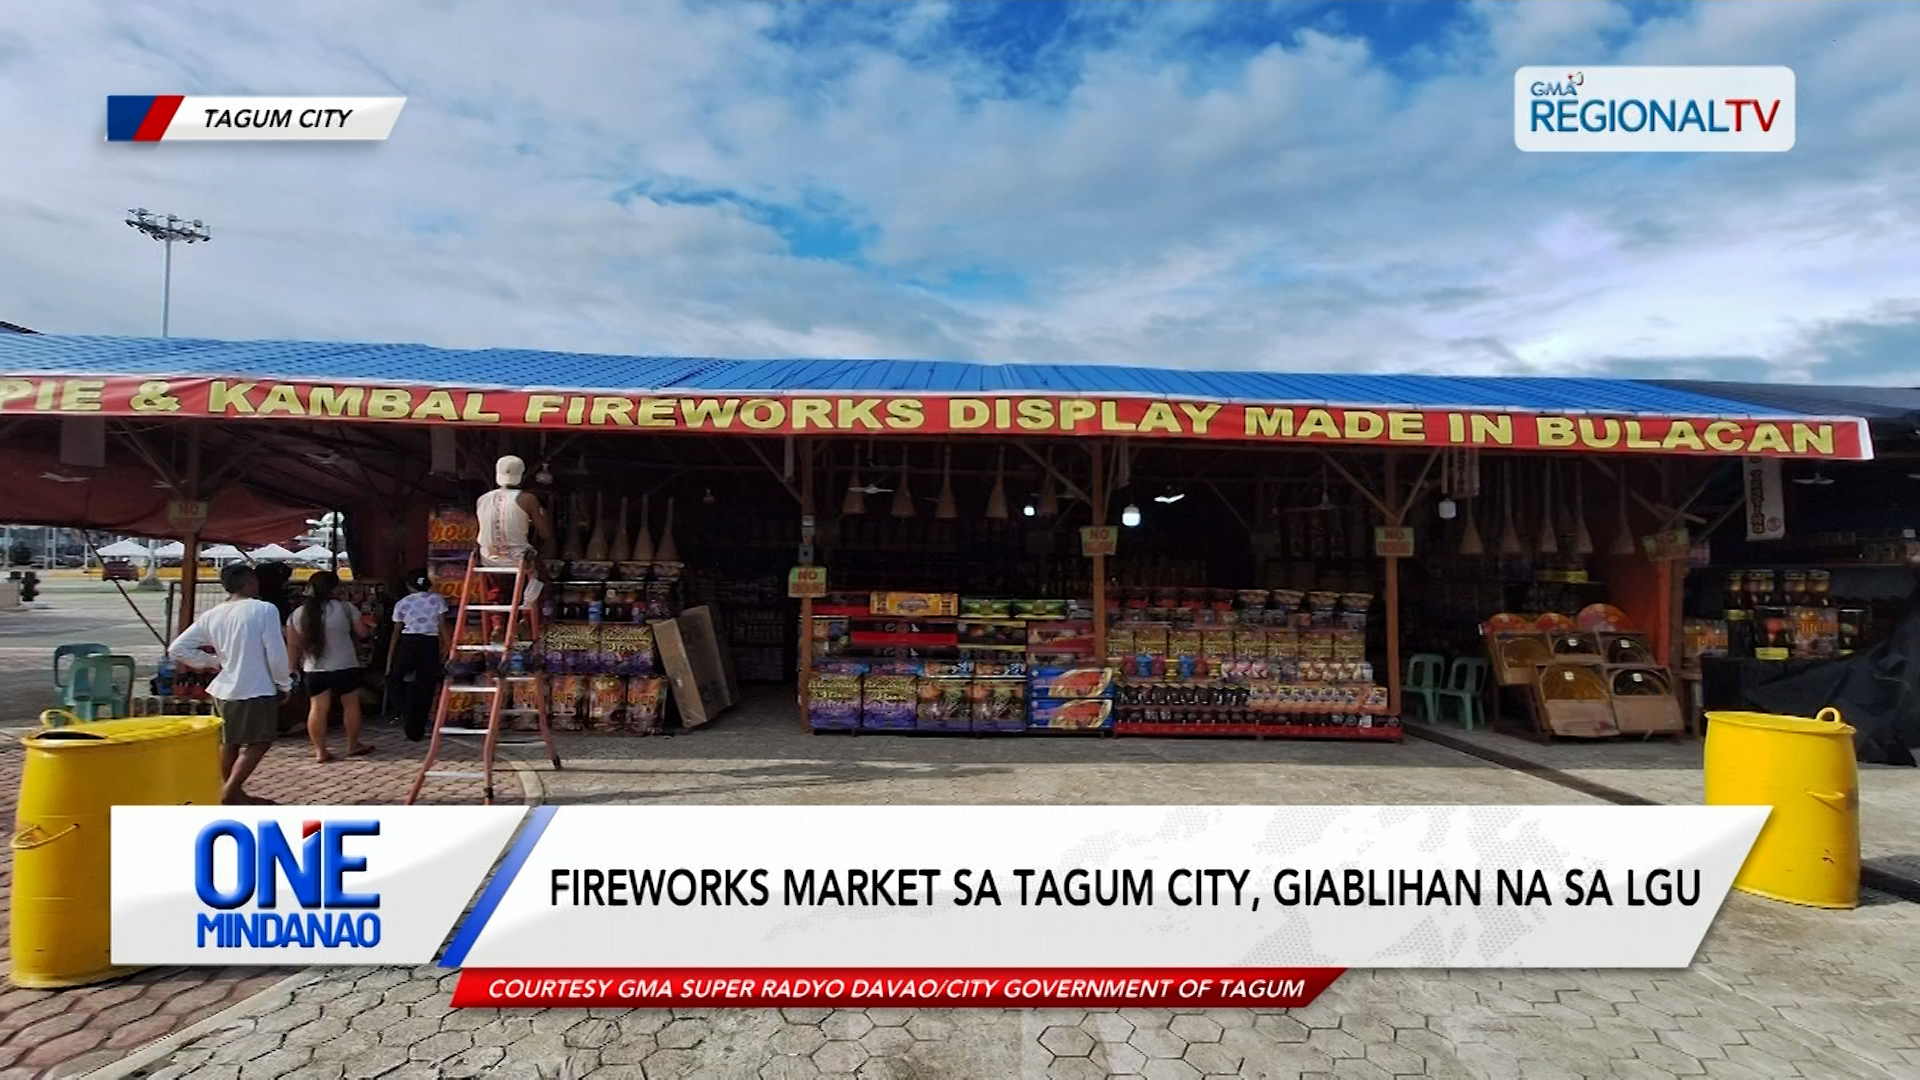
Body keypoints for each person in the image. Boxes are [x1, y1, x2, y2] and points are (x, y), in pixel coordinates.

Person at [167, 562, 291, 805]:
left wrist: (212, 662)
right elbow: (275, 651)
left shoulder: (213, 614)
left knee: (230, 742)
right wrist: (284, 682)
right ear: (249, 581)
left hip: (223, 687)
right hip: (255, 686)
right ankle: (230, 791)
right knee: (260, 741)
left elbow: (177, 648)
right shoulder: (264, 609)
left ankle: (230, 791)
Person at [287, 570, 370, 762]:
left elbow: (293, 644)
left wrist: (292, 667)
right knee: (350, 705)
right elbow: (362, 632)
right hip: (345, 664)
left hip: (314, 668)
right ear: (335, 588)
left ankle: (320, 750)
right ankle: (352, 745)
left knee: (317, 708)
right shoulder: (346, 608)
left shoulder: (298, 613)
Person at [477, 455, 554, 637]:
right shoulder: (528, 499)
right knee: (540, 580)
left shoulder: (482, 499)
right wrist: (542, 516)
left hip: (489, 558)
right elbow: (545, 534)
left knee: (498, 590)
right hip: (518, 559)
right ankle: (526, 618)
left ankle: (497, 625)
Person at [386, 569, 449, 741]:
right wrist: (448, 646)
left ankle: (405, 710)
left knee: (394, 679)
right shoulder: (437, 599)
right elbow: (442, 625)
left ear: (408, 585)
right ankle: (417, 728)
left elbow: (396, 631)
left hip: (409, 643)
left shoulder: (402, 603)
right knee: (426, 686)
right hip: (430, 643)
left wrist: (390, 657)